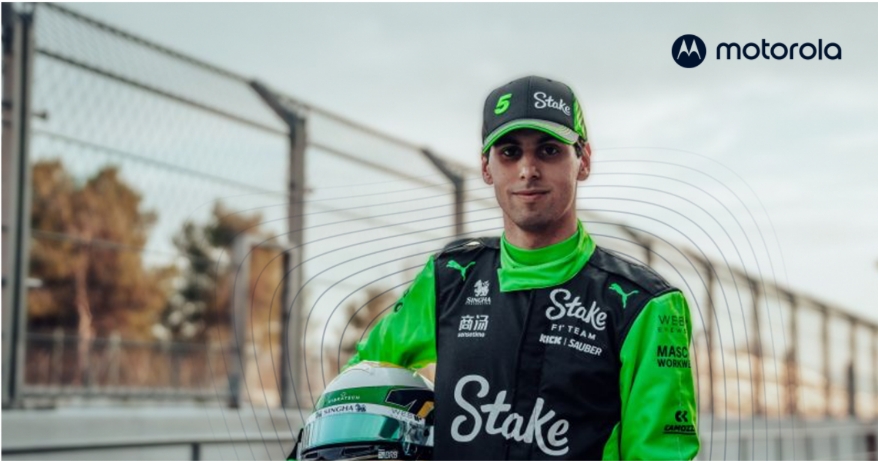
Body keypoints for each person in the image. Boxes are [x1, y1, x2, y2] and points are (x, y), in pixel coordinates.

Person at [346, 75, 699, 460]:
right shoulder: (448, 278)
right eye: (510, 152)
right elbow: (358, 385)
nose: (528, 169)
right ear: (486, 167)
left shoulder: (644, 305)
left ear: (583, 161)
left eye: (549, 150)